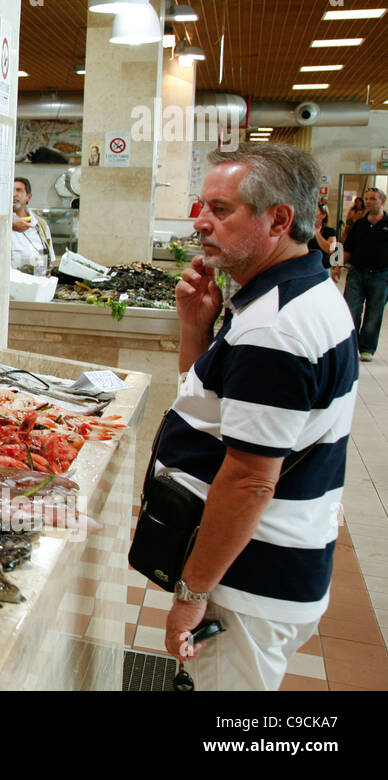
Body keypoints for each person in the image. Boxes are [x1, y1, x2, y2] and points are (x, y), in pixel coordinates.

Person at [160, 143, 355, 691]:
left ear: (279, 219)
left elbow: (248, 480)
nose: (201, 222)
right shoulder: (282, 296)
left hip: (250, 577)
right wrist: (197, 328)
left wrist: (192, 594)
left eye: (221, 210)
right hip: (264, 560)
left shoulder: (277, 328)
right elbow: (209, 411)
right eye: (201, 206)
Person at [341, 187, 388, 361]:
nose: (368, 201)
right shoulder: (359, 225)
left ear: (382, 201)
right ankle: (350, 345)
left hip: (381, 275)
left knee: (374, 313)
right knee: (351, 309)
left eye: (373, 199)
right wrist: (338, 267)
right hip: (357, 273)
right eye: (367, 198)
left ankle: (367, 348)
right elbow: (349, 248)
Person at [10, 177, 54, 275]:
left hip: (38, 279)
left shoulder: (41, 223)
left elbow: (48, 256)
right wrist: (10, 226)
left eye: (19, 190)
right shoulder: (0, 223)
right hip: (12, 282)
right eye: (11, 190)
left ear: (28, 197)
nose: (14, 194)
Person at [308, 201, 337, 274]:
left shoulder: (330, 231)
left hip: (323, 268)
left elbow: (330, 249)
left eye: (315, 211)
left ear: (323, 215)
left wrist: (317, 233)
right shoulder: (306, 230)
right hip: (307, 267)